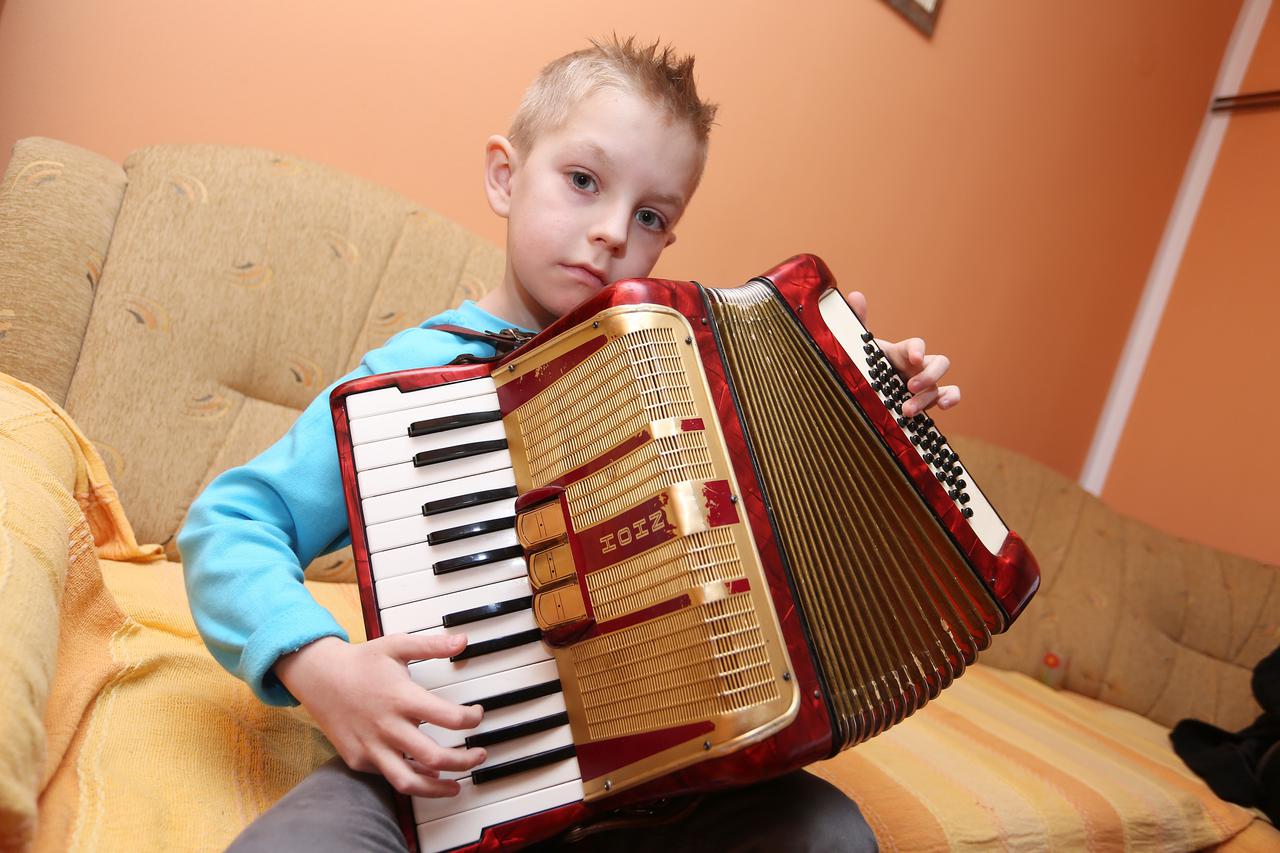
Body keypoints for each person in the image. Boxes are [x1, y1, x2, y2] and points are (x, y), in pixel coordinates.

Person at [178, 34, 958, 852]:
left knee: (827, 832)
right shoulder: (412, 379)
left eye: (652, 215)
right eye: (583, 181)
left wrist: (861, 413)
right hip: (449, 767)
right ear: (505, 177)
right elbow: (229, 522)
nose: (613, 231)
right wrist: (321, 667)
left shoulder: (693, 388)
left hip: (671, 780)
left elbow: (788, 569)